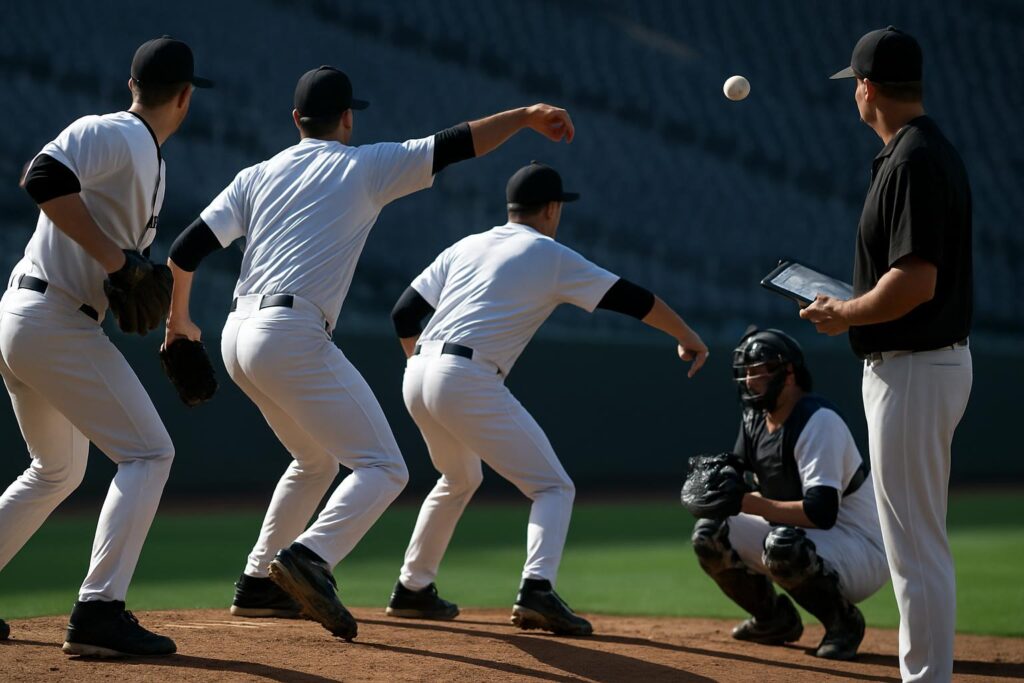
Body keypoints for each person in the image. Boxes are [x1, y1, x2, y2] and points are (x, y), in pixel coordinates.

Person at [164, 65, 577, 641]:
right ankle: (310, 556)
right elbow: (459, 142)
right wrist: (526, 116)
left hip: (237, 334)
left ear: (296, 120)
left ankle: (258, 582)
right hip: (290, 332)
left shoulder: (254, 175)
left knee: (314, 462)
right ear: (348, 119)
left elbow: (184, 251)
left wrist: (178, 323)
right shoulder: (364, 165)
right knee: (384, 467)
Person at [384, 162, 708, 636]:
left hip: (417, 371)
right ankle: (537, 589)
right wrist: (686, 335)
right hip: (464, 375)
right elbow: (632, 299)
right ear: (552, 209)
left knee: (458, 478)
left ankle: (412, 588)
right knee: (553, 487)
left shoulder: (468, 244)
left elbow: (403, 313)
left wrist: (428, 369)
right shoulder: (549, 254)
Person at [0, 36, 211, 656]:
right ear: (185, 97)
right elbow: (41, 177)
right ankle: (98, 611)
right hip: (51, 320)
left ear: (132, 84)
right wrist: (118, 261)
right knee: (149, 453)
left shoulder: (144, 156)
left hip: (41, 318)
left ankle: (98, 609)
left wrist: (172, 327)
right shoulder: (118, 133)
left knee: (57, 470)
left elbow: (126, 275)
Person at [800, 26, 972, 682]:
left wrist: (844, 312)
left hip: (914, 365)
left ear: (867, 88)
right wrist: (852, 306)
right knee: (916, 541)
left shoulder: (913, 160)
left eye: (856, 85)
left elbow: (915, 283)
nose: (855, 95)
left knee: (914, 545)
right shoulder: (921, 151)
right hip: (920, 363)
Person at [691, 328, 887, 660]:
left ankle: (844, 623)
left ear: (788, 373)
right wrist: (714, 488)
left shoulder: (817, 421)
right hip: (806, 536)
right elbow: (735, 472)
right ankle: (773, 619)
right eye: (746, 372)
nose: (749, 380)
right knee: (710, 534)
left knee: (783, 546)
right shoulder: (754, 419)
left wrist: (745, 501)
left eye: (758, 371)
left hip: (860, 547)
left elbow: (821, 512)